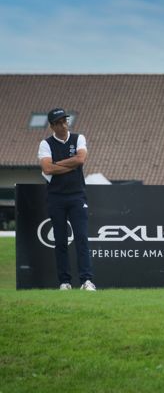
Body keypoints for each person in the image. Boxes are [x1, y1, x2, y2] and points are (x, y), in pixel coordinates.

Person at [38, 108, 96, 291]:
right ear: (52, 126)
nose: (64, 124)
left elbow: (80, 160)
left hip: (77, 196)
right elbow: (47, 169)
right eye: (59, 122)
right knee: (61, 241)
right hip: (56, 198)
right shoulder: (45, 144)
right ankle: (65, 282)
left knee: (81, 238)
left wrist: (58, 164)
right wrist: (68, 164)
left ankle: (86, 280)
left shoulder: (78, 138)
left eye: (65, 120)